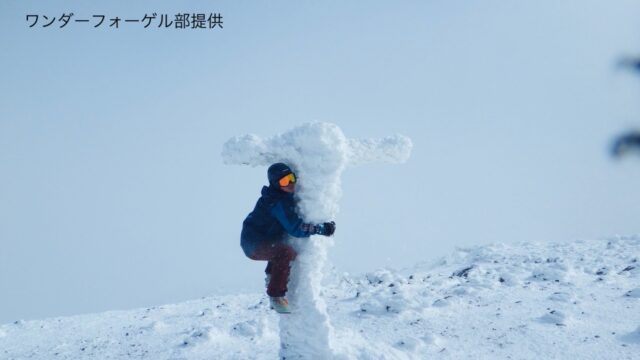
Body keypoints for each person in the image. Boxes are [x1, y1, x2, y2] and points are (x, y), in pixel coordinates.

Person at [241, 163, 336, 313]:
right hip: (253, 243)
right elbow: (296, 229)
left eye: (291, 178)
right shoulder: (276, 202)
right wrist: (321, 228)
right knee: (285, 252)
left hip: (262, 239)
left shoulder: (281, 197)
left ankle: (271, 278)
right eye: (284, 181)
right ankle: (276, 297)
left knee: (281, 248)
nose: (290, 183)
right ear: (275, 184)